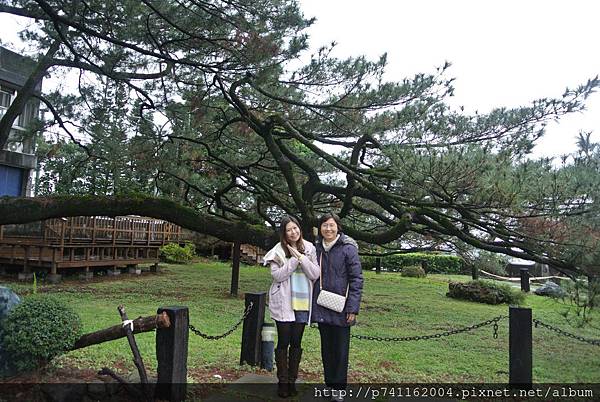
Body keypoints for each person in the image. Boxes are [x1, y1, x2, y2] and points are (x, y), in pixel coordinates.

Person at [263, 215, 320, 398]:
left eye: (295, 228)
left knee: (296, 342)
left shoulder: (310, 248)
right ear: (284, 233)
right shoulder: (277, 251)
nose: (293, 232)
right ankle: (283, 382)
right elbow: (278, 276)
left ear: (299, 229)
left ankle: (292, 380)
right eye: (289, 230)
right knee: (283, 342)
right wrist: (294, 260)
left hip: (302, 303)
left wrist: (302, 258)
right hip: (284, 302)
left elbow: (315, 274)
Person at [311, 213, 363, 402]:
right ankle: (329, 384)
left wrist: (352, 308)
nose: (328, 229)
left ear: (338, 227)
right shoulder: (316, 248)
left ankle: (339, 388)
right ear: (320, 228)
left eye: (331, 225)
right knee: (327, 348)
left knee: (340, 350)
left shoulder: (348, 249)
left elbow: (357, 280)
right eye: (324, 225)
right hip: (323, 304)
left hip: (342, 307)